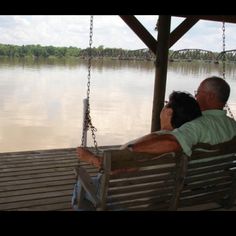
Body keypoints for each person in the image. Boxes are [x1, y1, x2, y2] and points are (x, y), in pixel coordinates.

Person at [72, 91, 202, 210]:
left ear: (169, 112)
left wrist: (89, 157)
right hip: (154, 199)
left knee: (81, 185)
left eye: (166, 104)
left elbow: (113, 169)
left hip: (122, 199)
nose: (163, 107)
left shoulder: (152, 143)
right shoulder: (185, 146)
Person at [124, 76, 236, 157]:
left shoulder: (197, 125)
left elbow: (172, 143)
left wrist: (130, 148)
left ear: (210, 96)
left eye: (198, 92)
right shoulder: (233, 125)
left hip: (194, 186)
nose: (196, 96)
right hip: (223, 184)